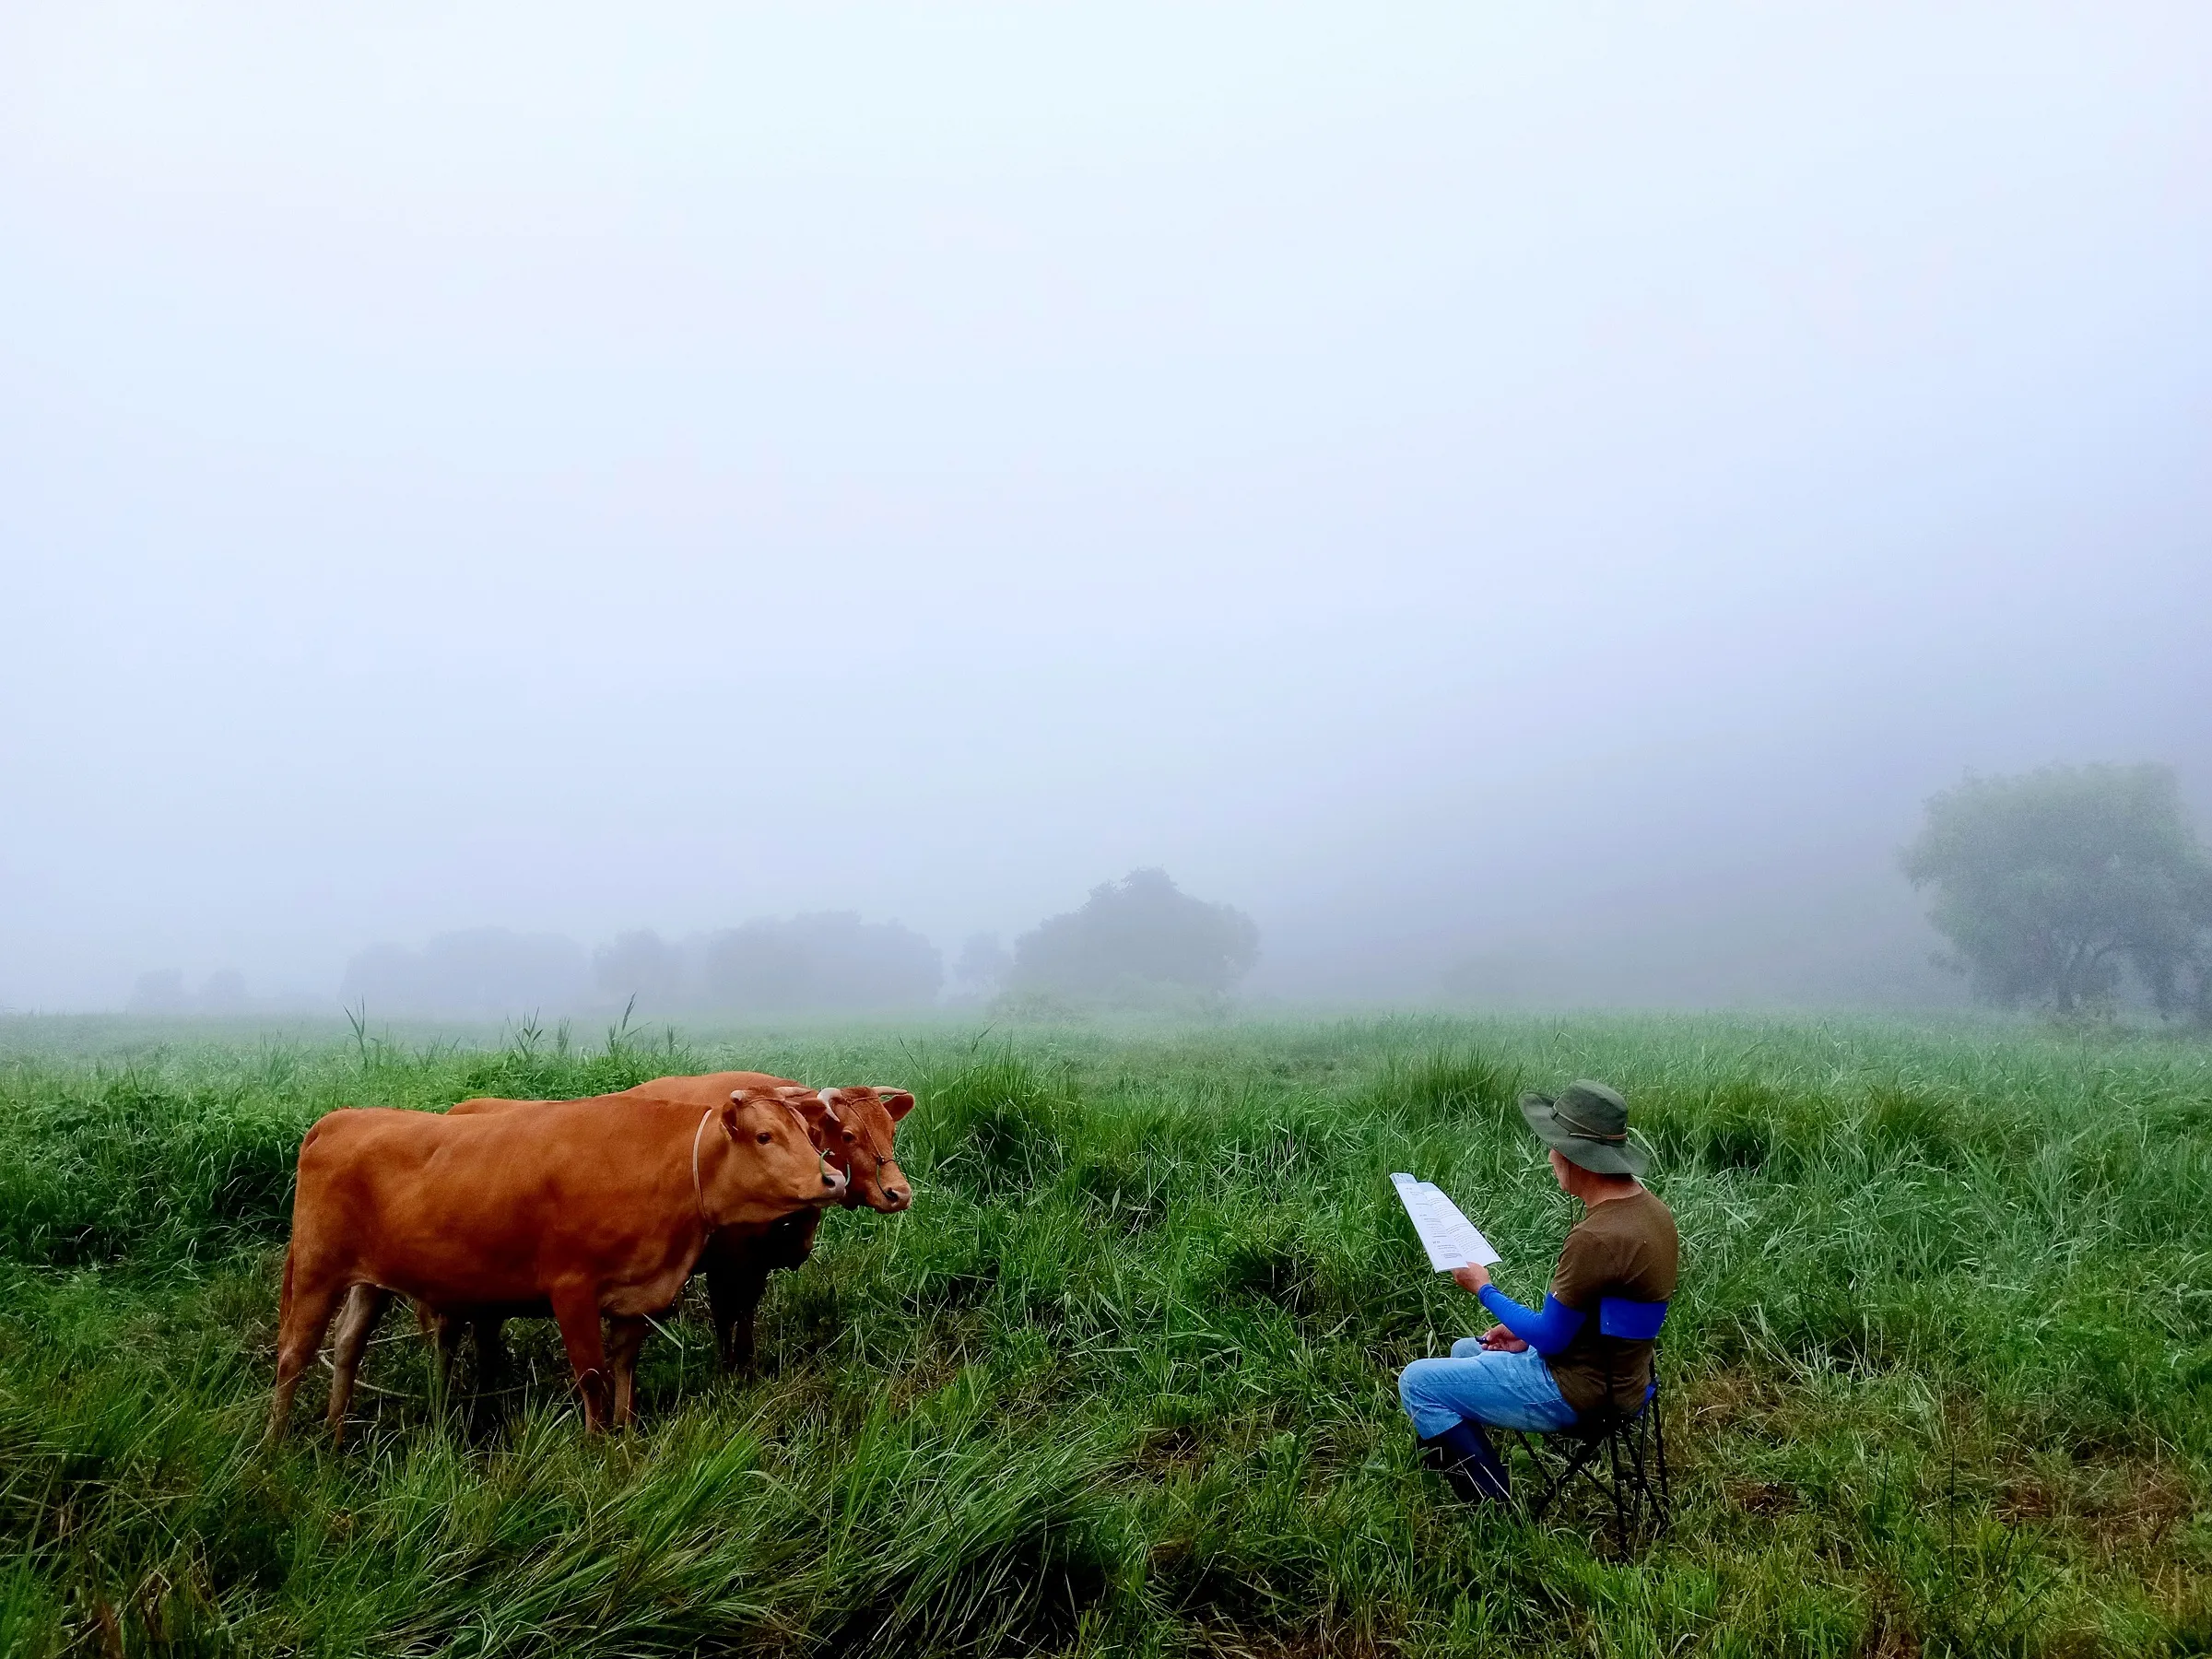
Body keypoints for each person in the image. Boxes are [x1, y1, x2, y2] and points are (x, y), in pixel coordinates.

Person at [1396, 1079, 1677, 1503]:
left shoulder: (1596, 1237)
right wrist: (1525, 1333)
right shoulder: (1652, 1213)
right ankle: (1455, 1468)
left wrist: (1483, 1289)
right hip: (1623, 1374)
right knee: (1462, 1351)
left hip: (1583, 1393)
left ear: (1572, 1156)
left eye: (1552, 1146)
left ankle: (1494, 1509)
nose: (1549, 1156)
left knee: (1417, 1382)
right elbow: (1588, 1318)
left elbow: (1551, 1338)